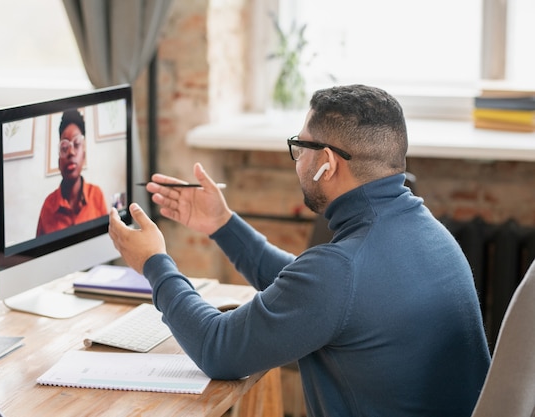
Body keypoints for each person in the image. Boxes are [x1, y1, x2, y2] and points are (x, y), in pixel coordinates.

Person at [108, 85, 491, 416]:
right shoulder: (430, 235)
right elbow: (314, 293)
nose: (297, 160)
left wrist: (154, 263)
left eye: (300, 146)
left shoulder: (340, 272)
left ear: (327, 162)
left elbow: (217, 348)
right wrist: (222, 224)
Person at [37, 109, 108, 236]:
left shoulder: (97, 195)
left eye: (77, 144)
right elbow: (37, 253)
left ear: (84, 155)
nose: (71, 152)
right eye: (64, 147)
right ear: (59, 161)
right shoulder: (48, 206)